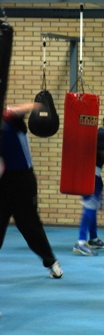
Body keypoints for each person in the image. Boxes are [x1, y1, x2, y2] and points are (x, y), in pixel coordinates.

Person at [0, 103, 63, 279]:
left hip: (22, 181)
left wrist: (37, 105)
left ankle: (51, 262)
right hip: (2, 183)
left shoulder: (9, 117)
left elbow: (27, 107)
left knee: (30, 226)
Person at [73, 112, 104, 256]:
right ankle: (81, 242)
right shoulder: (101, 134)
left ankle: (93, 238)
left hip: (95, 174)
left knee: (94, 206)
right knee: (89, 207)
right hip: (90, 175)